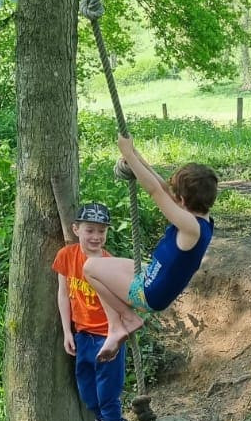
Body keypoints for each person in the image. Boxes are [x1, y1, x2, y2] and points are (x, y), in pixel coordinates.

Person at [83, 135, 218, 363]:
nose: (172, 197)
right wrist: (134, 155)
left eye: (177, 197)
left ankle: (126, 319)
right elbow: (164, 188)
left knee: (89, 268)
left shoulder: (190, 228)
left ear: (183, 200)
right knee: (103, 267)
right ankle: (117, 325)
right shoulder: (201, 217)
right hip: (150, 274)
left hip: (150, 294)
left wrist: (127, 155)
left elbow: (156, 191)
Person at [52, 202, 132, 421]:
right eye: (90, 230)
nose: (96, 236)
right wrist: (67, 331)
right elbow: (63, 294)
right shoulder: (66, 256)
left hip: (107, 336)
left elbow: (123, 302)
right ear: (76, 229)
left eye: (101, 231)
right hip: (83, 335)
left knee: (107, 392)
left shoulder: (109, 264)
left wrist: (116, 335)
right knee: (89, 393)